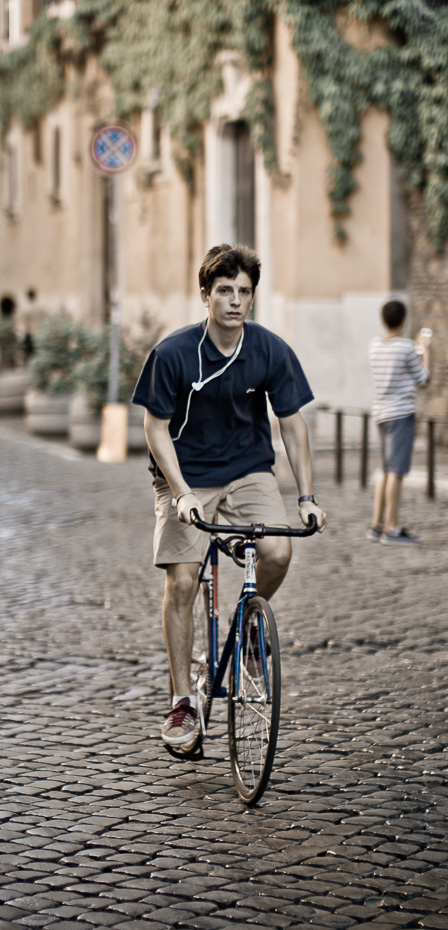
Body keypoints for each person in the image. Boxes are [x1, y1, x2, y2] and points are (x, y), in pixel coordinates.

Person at [132, 243, 327, 750]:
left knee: (279, 550)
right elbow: (155, 429)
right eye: (225, 291)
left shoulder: (269, 349)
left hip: (247, 473)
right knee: (181, 581)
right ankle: (183, 700)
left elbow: (292, 422)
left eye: (244, 292)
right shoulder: (173, 353)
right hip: (185, 476)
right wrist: (180, 493)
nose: (236, 301)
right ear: (205, 295)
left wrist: (306, 496)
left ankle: (247, 635)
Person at [368, 299, 431, 546]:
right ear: (404, 320)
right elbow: (423, 378)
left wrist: (412, 348)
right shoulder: (406, 348)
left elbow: (398, 357)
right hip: (401, 415)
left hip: (381, 414)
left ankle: (377, 524)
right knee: (397, 471)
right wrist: (425, 351)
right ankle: (392, 528)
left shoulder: (374, 346)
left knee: (385, 469)